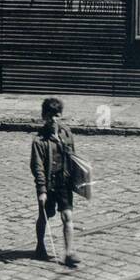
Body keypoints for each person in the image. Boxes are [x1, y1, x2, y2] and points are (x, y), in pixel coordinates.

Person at [30, 97, 79, 268]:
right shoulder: (39, 141)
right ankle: (40, 245)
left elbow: (73, 156)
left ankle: (69, 252)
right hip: (48, 185)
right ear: (44, 116)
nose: (54, 120)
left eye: (57, 116)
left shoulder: (66, 134)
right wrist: (42, 190)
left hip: (64, 182)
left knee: (67, 216)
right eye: (50, 116)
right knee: (45, 216)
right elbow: (37, 168)